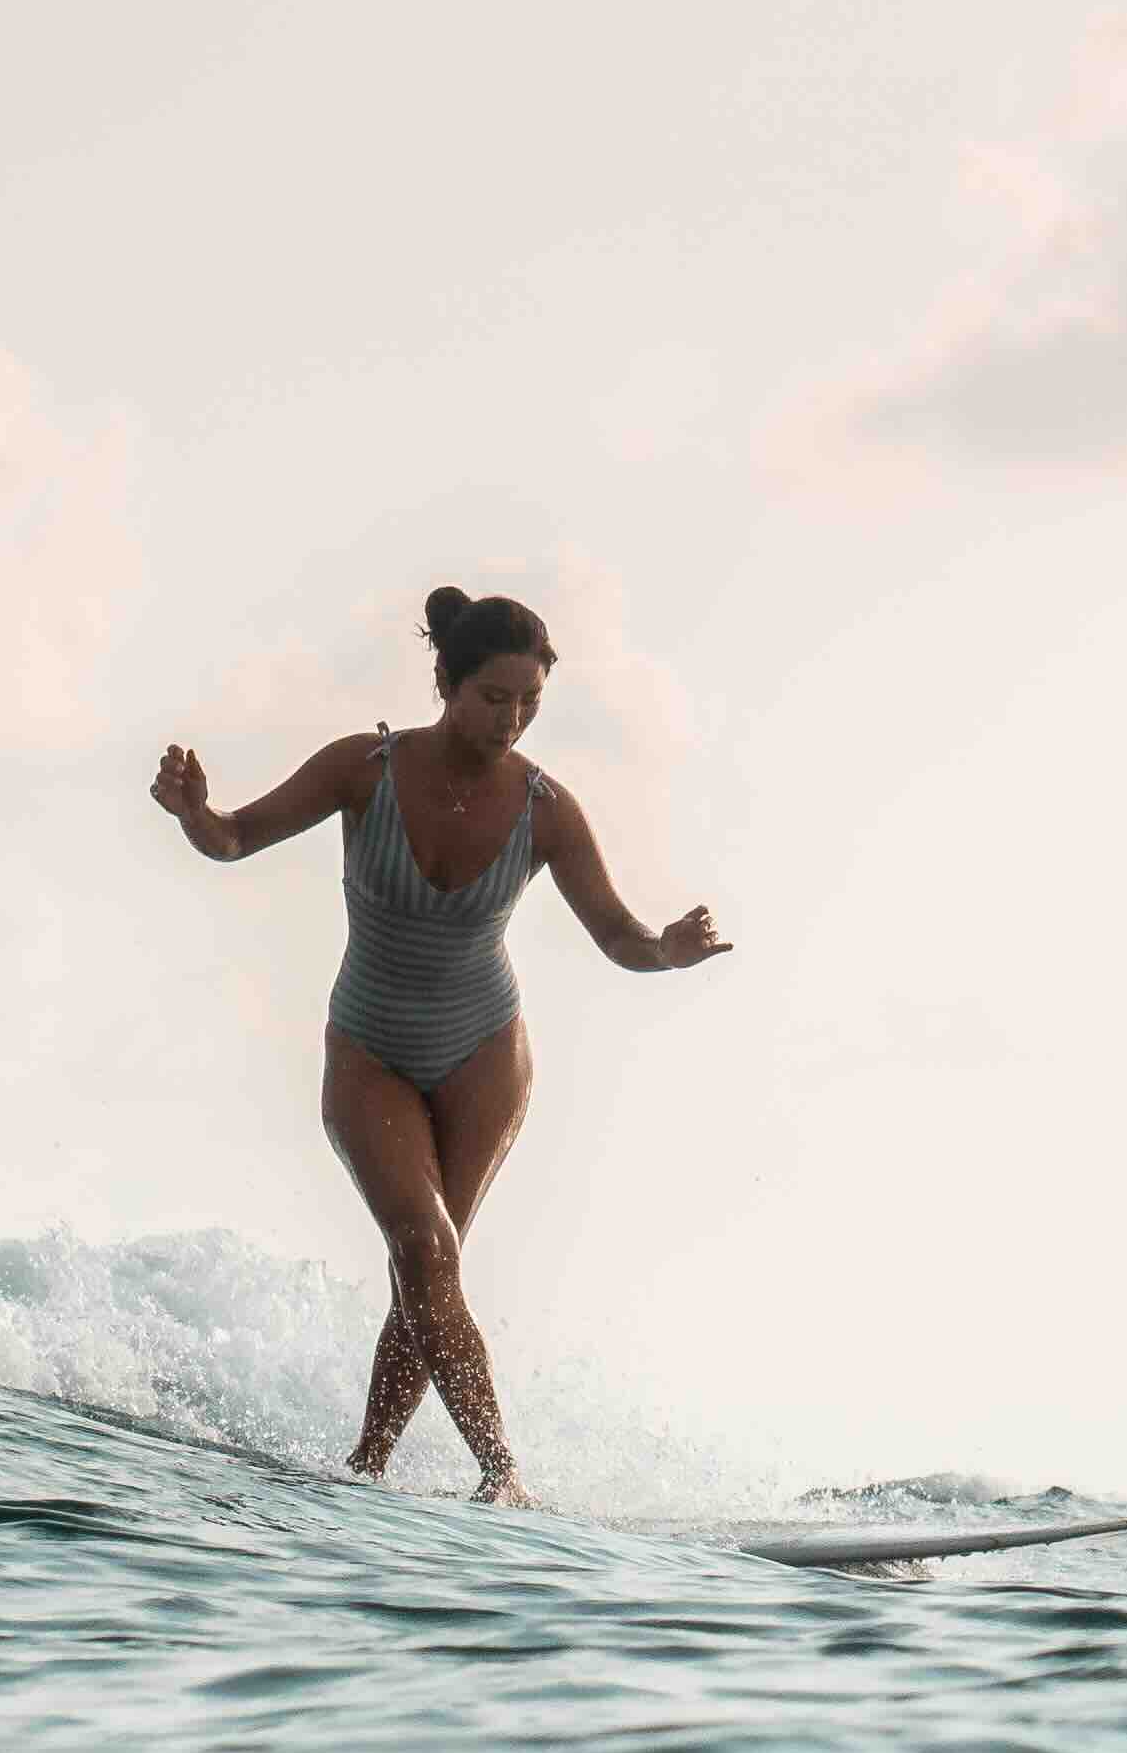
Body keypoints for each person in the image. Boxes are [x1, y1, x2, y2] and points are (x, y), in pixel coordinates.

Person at [147, 587, 730, 1501]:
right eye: (494, 697)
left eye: (530, 700)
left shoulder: (546, 810)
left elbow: (619, 935)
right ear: (447, 685)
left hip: (484, 1052)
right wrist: (194, 814)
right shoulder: (363, 769)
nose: (513, 718)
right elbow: (232, 839)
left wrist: (669, 949)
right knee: (424, 1250)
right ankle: (504, 1474)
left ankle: (370, 1467)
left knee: (428, 1265)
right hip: (369, 1047)